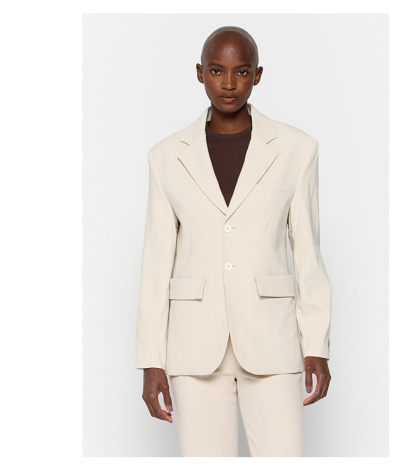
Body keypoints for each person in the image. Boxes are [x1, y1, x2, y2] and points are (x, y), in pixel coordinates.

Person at [136, 26, 332, 457]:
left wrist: (317, 345)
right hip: (194, 345)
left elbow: (308, 255)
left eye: (241, 71)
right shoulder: (166, 156)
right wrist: (152, 360)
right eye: (216, 71)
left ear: (257, 75)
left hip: (272, 340)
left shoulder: (297, 149)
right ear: (199, 73)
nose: (228, 83)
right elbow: (156, 262)